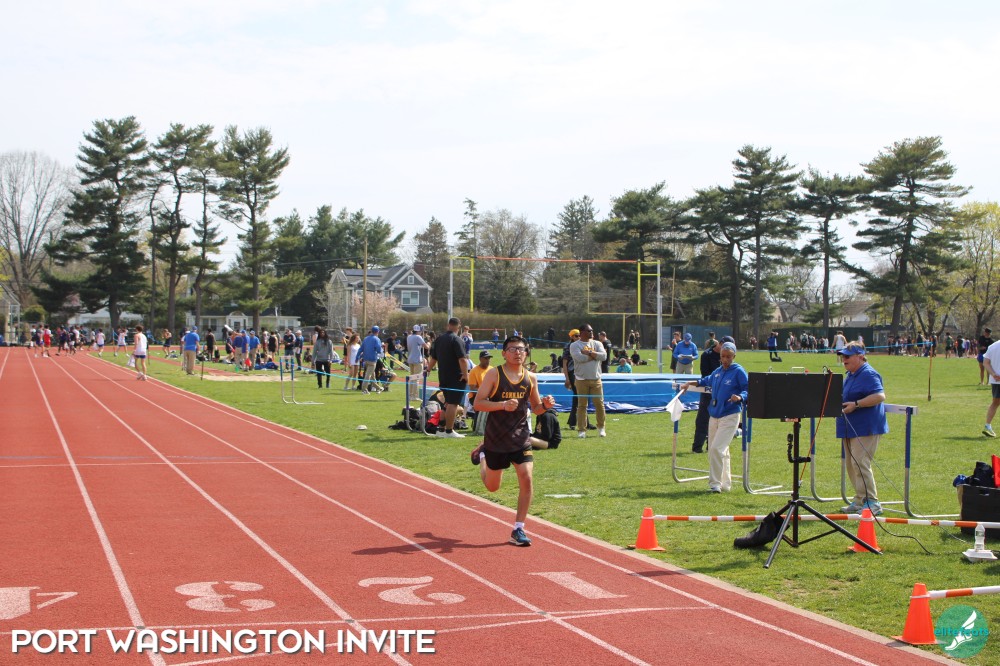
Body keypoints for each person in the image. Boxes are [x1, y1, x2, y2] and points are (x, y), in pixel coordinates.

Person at [471, 336, 557, 546]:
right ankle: (482, 455)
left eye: (521, 349)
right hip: (496, 439)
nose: (517, 353)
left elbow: (536, 409)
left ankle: (519, 528)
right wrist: (502, 405)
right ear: (504, 353)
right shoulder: (494, 374)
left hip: (520, 437)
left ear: (526, 353)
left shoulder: (531, 377)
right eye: (512, 349)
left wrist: (545, 406)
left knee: (526, 478)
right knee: (492, 487)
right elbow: (478, 404)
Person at [679, 341, 748, 492]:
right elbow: (705, 381)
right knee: (718, 450)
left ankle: (715, 484)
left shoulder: (739, 371)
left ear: (734, 356)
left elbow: (748, 389)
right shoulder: (717, 372)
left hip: (730, 415)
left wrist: (740, 397)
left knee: (717, 449)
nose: (725, 359)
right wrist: (688, 383)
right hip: (714, 415)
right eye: (723, 356)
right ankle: (725, 484)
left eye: (728, 357)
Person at [836, 342, 888, 515]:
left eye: (847, 356)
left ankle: (873, 502)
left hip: (866, 427)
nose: (844, 359)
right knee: (852, 465)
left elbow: (879, 396)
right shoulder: (851, 374)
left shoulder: (868, 373)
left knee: (860, 462)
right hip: (850, 426)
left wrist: (856, 404)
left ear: (860, 356)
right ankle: (860, 500)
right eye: (842, 356)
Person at [426, 317, 469, 437]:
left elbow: (433, 358)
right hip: (456, 376)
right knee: (453, 404)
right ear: (458, 326)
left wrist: (428, 369)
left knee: (446, 403)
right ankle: (449, 431)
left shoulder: (439, 339)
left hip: (443, 376)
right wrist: (465, 375)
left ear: (448, 325)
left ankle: (441, 429)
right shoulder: (457, 339)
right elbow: (462, 359)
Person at [692, 335, 729, 453]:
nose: (726, 355)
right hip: (707, 391)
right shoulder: (706, 355)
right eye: (725, 347)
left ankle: (711, 446)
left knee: (718, 419)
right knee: (703, 418)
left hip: (721, 392)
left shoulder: (728, 357)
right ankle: (697, 447)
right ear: (720, 344)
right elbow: (705, 374)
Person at [571, 324, 607, 438]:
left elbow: (604, 356)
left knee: (599, 404)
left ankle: (601, 428)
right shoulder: (574, 345)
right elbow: (580, 358)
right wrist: (595, 356)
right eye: (589, 331)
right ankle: (582, 430)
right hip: (581, 380)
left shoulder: (597, 343)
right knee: (582, 405)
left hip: (596, 379)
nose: (591, 332)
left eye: (592, 330)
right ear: (582, 332)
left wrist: (590, 353)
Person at [981, 337, 1000, 437]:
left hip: (996, 380)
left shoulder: (993, 346)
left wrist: (993, 374)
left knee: (995, 403)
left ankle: (987, 426)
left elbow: (985, 363)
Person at [360, 326, 384, 394]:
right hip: (373, 360)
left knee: (372, 376)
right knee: (368, 375)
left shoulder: (366, 338)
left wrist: (358, 356)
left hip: (366, 359)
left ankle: (378, 388)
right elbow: (379, 350)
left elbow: (362, 348)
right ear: (378, 331)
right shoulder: (377, 339)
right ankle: (364, 389)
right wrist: (380, 350)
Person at [406, 325, 427, 401]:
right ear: (418, 331)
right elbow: (426, 346)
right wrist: (429, 343)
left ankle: (410, 395)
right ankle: (414, 396)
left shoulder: (409, 337)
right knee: (416, 378)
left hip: (410, 359)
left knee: (412, 378)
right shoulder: (418, 337)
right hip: (417, 360)